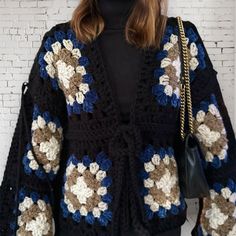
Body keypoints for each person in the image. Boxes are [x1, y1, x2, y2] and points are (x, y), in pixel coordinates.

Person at [0, 0, 235, 235]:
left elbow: (216, 143)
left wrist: (215, 226)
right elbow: (37, 156)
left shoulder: (179, 40)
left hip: (158, 223)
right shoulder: (60, 45)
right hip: (82, 223)